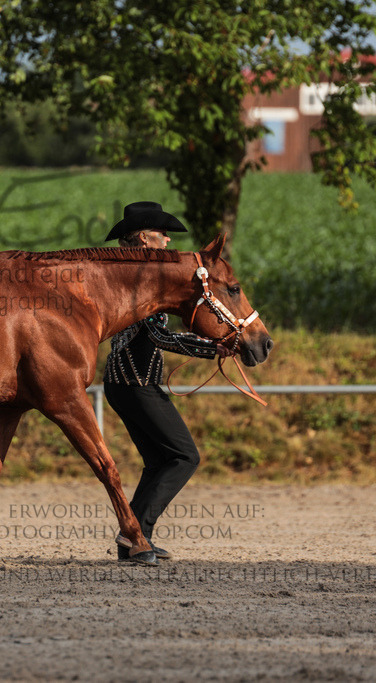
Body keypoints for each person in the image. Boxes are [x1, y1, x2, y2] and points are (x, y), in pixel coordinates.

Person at [102, 201, 232, 565]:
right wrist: (212, 348)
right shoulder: (141, 282)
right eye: (162, 234)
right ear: (145, 237)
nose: (168, 240)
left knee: (160, 461)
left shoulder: (130, 277)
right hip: (135, 384)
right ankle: (135, 534)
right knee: (184, 456)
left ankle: (135, 538)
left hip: (126, 383)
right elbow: (160, 338)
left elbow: (157, 335)